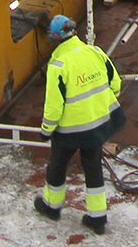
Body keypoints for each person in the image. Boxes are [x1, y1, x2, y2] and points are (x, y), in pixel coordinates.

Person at [35, 15, 125, 234]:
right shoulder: (95, 52)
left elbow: (54, 107)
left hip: (70, 130)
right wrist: (99, 105)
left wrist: (46, 130)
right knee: (93, 167)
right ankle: (97, 218)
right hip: (97, 126)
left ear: (54, 38)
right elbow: (115, 83)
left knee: (57, 166)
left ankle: (52, 207)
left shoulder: (57, 65)